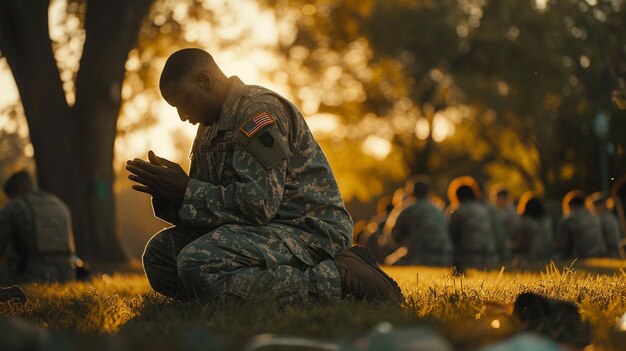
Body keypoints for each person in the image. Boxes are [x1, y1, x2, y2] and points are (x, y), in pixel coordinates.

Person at [126, 48, 402, 304]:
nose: (182, 116)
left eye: (184, 102)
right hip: (262, 229)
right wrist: (172, 194)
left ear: (204, 80)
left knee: (197, 263)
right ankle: (229, 294)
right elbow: (214, 211)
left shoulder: (257, 112)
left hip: (307, 229)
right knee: (160, 256)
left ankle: (339, 278)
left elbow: (260, 204)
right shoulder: (210, 125)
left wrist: (187, 190)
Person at [0, 171, 76, 284]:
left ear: (17, 190)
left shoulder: (16, 206)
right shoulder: (59, 204)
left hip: (35, 274)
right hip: (68, 274)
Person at [384, 175, 452, 266]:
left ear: (411, 191)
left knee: (389, 262)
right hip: (443, 258)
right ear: (428, 192)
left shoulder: (407, 209)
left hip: (416, 257)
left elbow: (393, 235)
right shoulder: (438, 209)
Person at [448, 176, 500, 271]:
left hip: (468, 259)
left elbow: (451, 236)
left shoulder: (458, 212)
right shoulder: (484, 210)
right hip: (490, 258)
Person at [556, 190, 606, 259]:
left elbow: (562, 245)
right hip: (600, 255)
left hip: (580, 256)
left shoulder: (568, 219)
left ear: (571, 205)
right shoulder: (595, 217)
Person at [511, 192, 552, 261]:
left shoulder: (525, 222)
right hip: (548, 256)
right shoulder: (547, 222)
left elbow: (520, 244)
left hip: (530, 257)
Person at [588, 192, 623, 258]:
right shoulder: (610, 217)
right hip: (614, 252)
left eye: (596, 205)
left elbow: (606, 241)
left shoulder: (604, 219)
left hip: (609, 254)